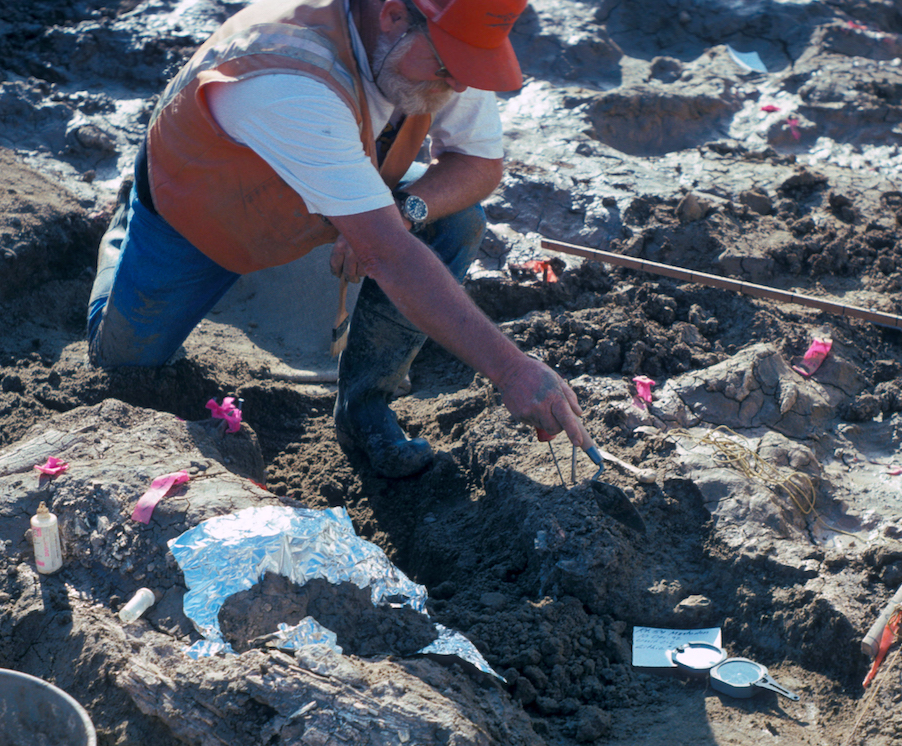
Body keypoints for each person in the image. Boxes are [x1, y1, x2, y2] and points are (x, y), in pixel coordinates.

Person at [88, 0, 590, 478]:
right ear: (393, 14)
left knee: (457, 218)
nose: (458, 84)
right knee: (126, 365)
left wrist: (406, 211)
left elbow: (480, 164)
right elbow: (387, 255)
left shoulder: (441, 42)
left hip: (335, 182)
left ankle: (364, 409)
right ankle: (127, 224)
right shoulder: (286, 73)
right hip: (202, 207)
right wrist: (511, 370)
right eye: (446, 68)